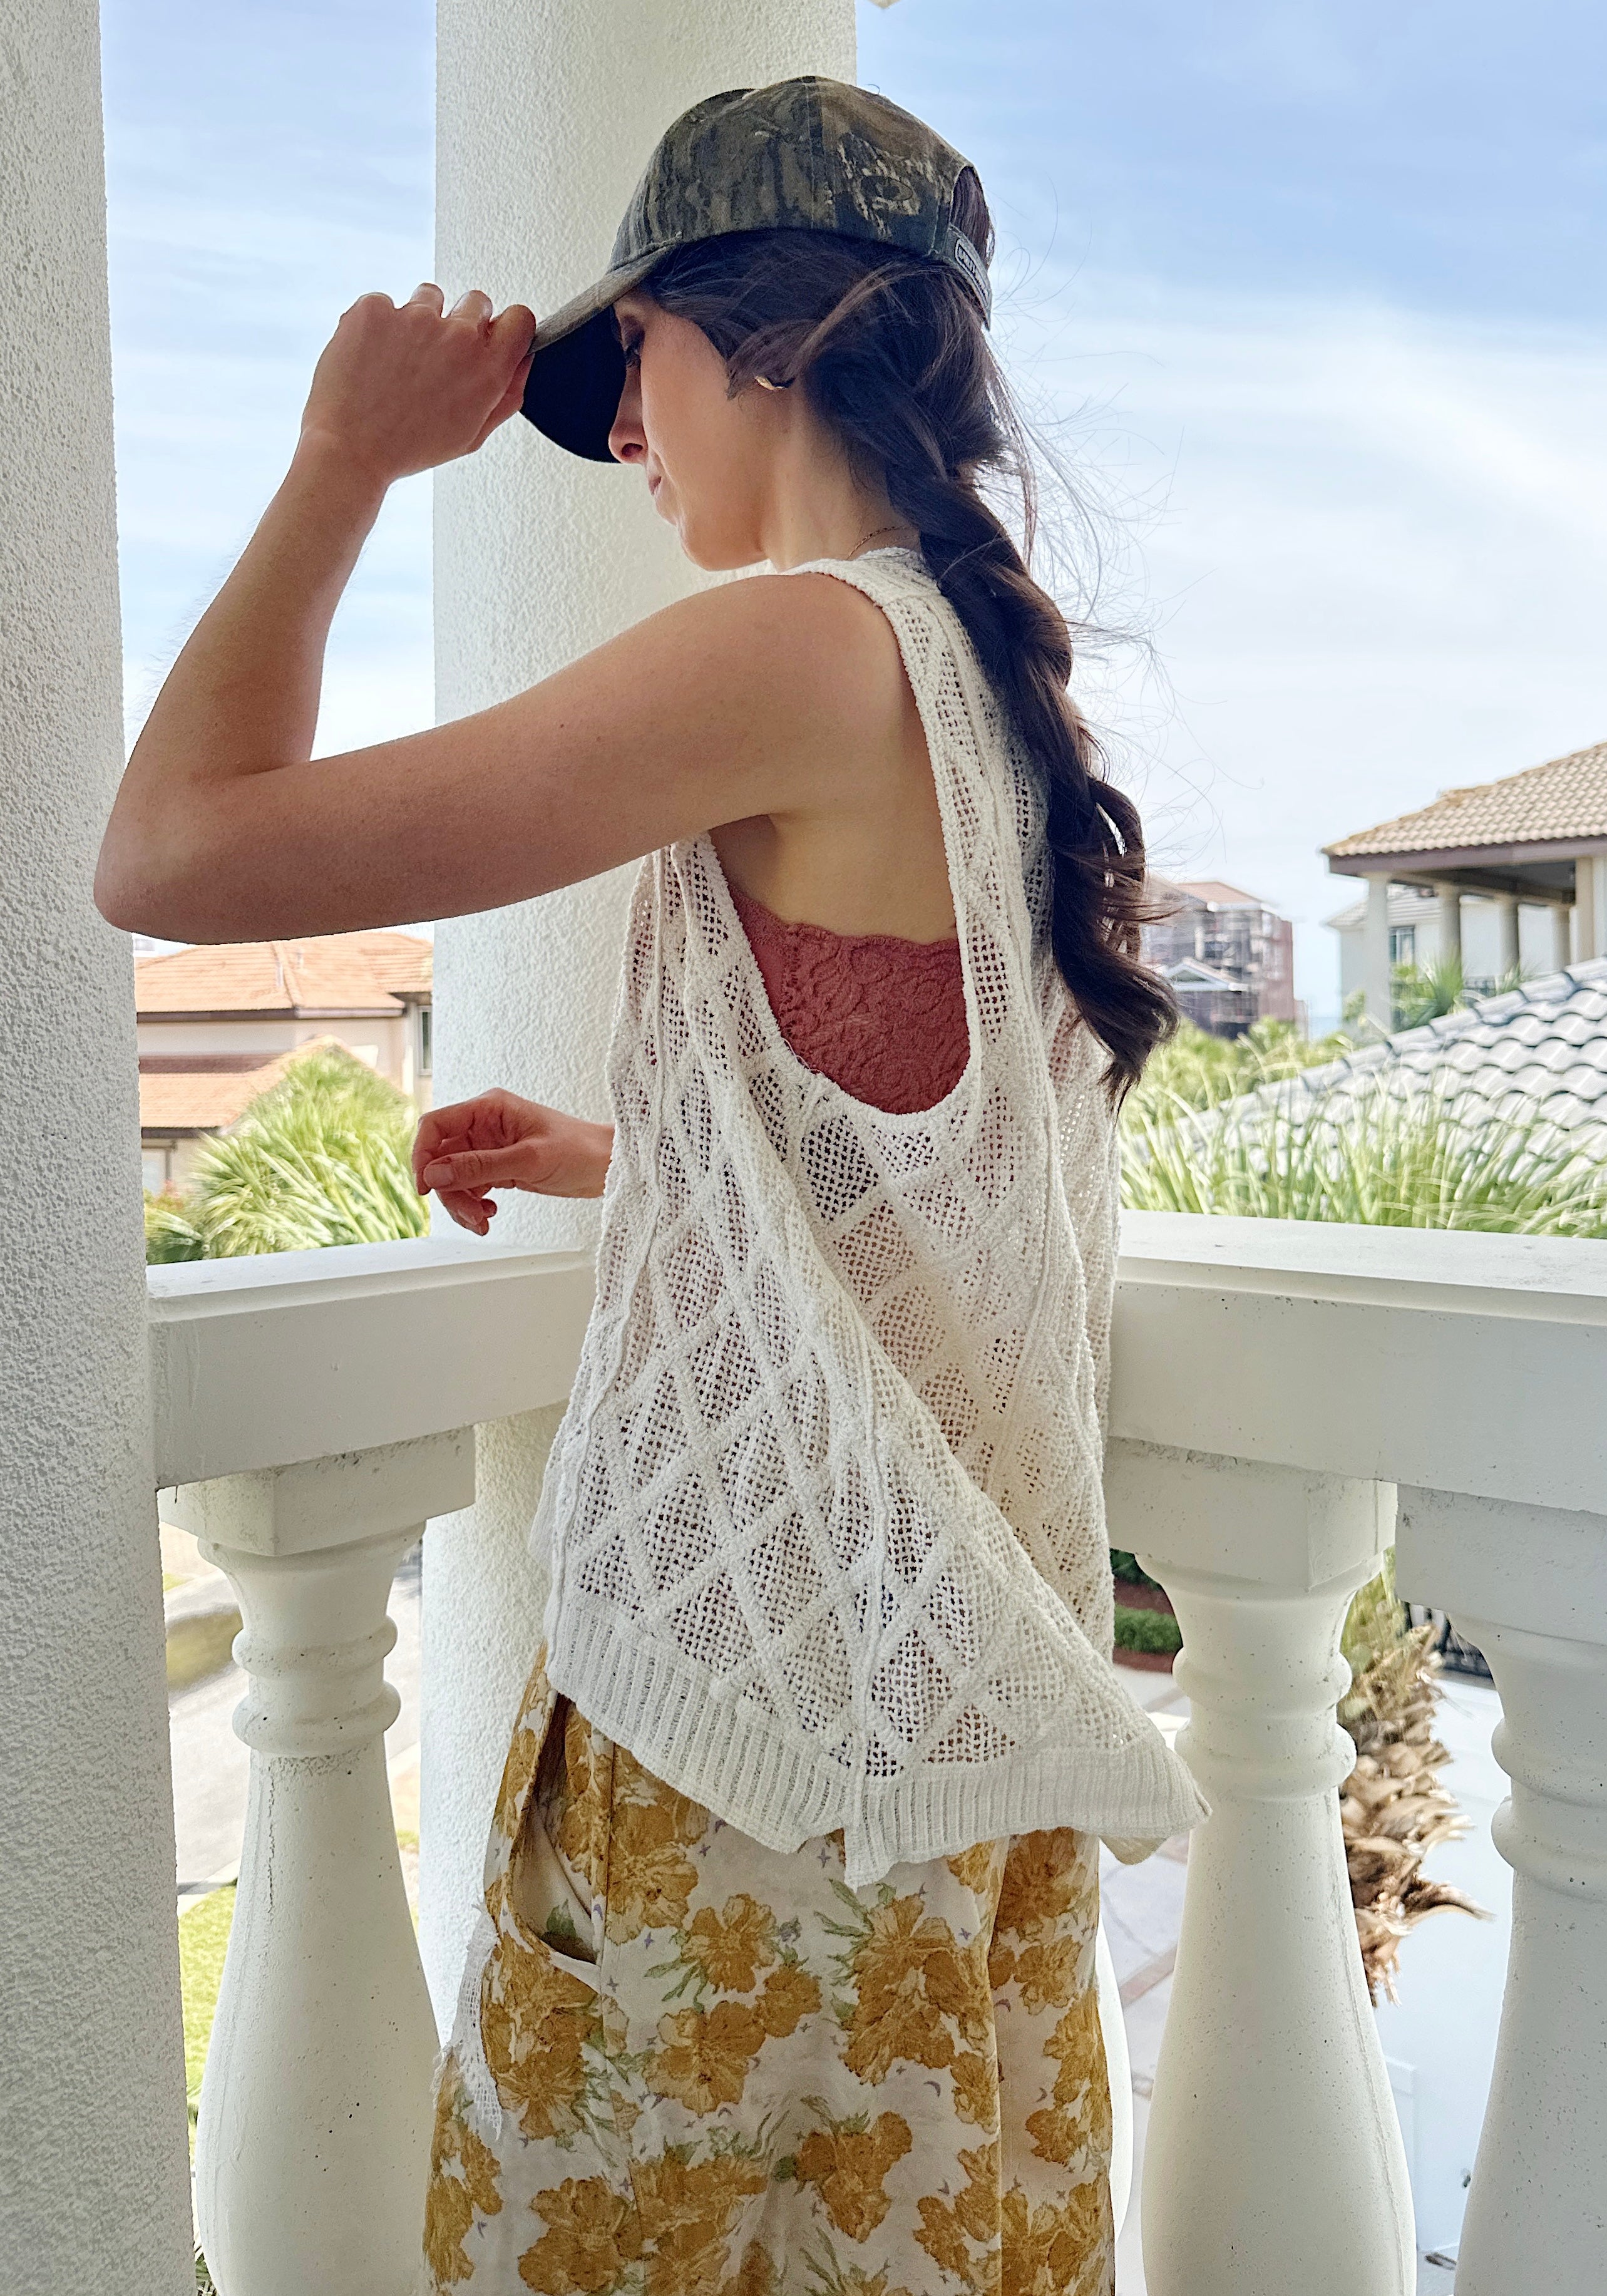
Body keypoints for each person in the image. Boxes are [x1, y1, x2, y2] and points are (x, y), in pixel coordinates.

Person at [98, 76, 1204, 2296]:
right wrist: (654, 1153)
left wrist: (338, 467)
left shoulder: (802, 645)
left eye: (638, 376)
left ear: (765, 344)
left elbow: (171, 849)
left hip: (749, 1776)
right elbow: (963, 1150)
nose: (624, 441)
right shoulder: (986, 690)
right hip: (938, 1784)